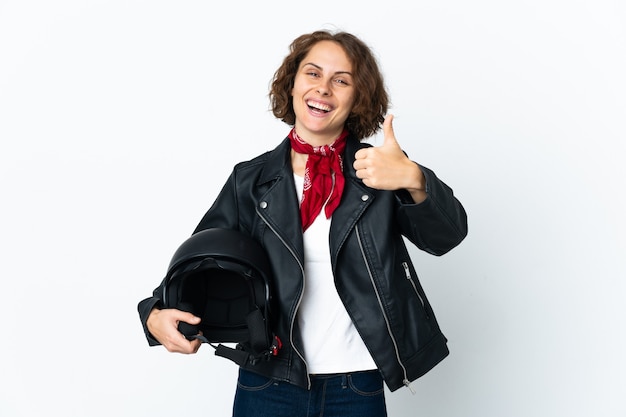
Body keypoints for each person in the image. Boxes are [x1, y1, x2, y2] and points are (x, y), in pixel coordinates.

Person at [138, 29, 468, 417]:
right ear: (292, 84)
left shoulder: (380, 171)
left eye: (341, 80)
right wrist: (154, 311)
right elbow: (203, 257)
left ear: (357, 97)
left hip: (357, 381)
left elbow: (445, 237)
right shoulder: (252, 179)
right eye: (313, 73)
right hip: (267, 379)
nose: (324, 88)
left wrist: (414, 177)